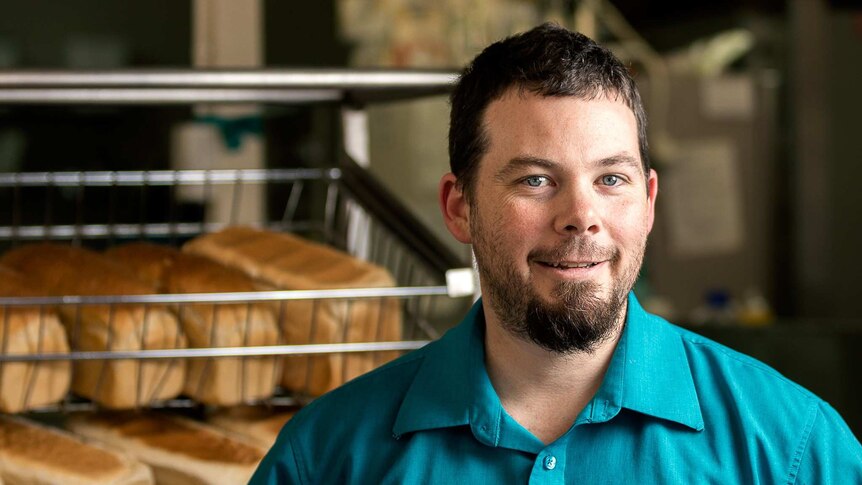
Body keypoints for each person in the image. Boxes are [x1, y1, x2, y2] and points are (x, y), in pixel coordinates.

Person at [250, 23, 862, 483]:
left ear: (648, 201)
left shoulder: (793, 450)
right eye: (535, 180)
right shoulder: (326, 459)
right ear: (459, 206)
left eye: (611, 179)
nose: (581, 217)